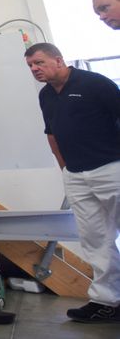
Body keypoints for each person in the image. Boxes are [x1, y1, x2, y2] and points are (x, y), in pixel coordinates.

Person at [24, 42, 120, 324]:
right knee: (94, 239)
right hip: (76, 176)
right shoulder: (46, 96)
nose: (34, 69)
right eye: (30, 66)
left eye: (39, 63)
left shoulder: (94, 84)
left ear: (58, 60)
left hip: (111, 168)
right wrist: (65, 169)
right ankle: (107, 301)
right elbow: (51, 134)